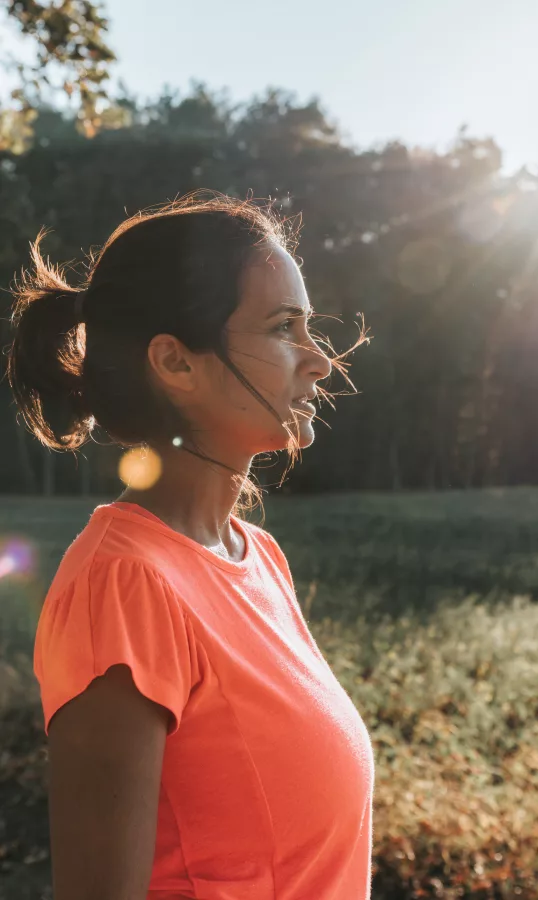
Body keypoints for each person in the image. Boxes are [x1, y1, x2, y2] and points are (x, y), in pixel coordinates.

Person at [4, 194, 375, 900]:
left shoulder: (257, 556)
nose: (320, 360)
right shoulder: (124, 587)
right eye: (282, 327)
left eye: (309, 326)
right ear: (176, 362)